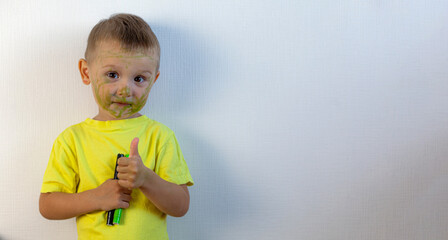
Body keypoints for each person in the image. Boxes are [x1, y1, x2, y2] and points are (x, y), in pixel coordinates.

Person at [39, 13, 194, 240]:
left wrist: (146, 179)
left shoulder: (160, 136)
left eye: (139, 78)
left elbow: (180, 206)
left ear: (154, 81)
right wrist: (96, 198)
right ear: (86, 72)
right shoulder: (72, 139)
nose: (125, 89)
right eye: (112, 74)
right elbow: (47, 205)